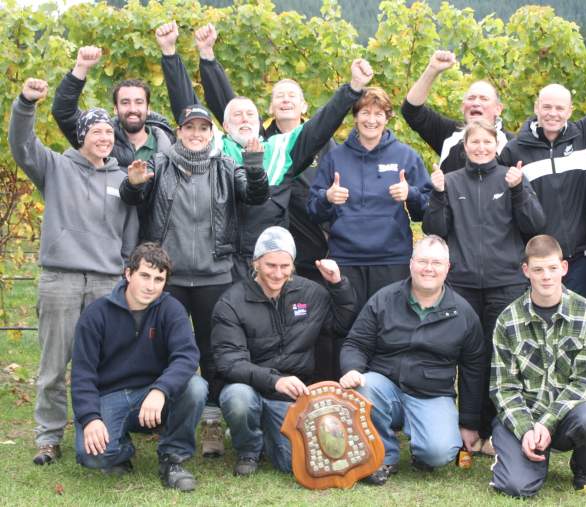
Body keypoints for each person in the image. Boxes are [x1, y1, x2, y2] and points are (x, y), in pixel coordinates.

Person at [155, 21, 372, 278]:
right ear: (225, 126)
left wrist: (353, 88)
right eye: (237, 115)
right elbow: (188, 109)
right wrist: (169, 54)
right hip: (224, 264)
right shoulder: (216, 148)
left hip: (271, 264)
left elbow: (320, 125)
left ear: (259, 123)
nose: (244, 119)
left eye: (250, 114)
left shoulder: (280, 151)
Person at [119, 105, 268, 457]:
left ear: (211, 133)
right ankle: (163, 416)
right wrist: (132, 183)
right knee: (162, 347)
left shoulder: (227, 166)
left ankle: (212, 422)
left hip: (215, 275)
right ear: (179, 131)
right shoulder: (160, 163)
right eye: (190, 128)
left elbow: (255, 197)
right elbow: (133, 197)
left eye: (203, 128)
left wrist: (254, 167)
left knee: (213, 352)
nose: (196, 134)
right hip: (168, 278)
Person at [8, 78, 139, 465]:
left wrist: (125, 273)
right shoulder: (55, 168)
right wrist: (26, 103)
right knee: (53, 365)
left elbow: (130, 234)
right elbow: (22, 144)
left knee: (105, 364)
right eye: (96, 131)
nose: (104, 138)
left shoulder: (123, 180)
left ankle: (101, 430)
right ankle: (48, 437)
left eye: (108, 132)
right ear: (82, 136)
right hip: (60, 280)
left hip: (106, 283)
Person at [423, 119, 545, 452]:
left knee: (499, 356)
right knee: (466, 355)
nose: (481, 147)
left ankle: (495, 429)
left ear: (497, 145)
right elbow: (434, 229)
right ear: (465, 147)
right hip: (462, 284)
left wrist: (519, 190)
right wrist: (437, 194)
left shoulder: (511, 178)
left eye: (487, 142)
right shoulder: (450, 181)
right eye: (474, 142)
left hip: (505, 283)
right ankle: (467, 426)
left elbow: (535, 224)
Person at [339, 235, 487, 486]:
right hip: (385, 386)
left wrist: (469, 423)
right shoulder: (384, 299)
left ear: (447, 268)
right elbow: (356, 343)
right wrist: (352, 369)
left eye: (436, 263)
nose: (429, 268)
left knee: (438, 453)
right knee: (363, 385)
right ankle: (383, 455)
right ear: (411, 264)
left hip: (432, 393)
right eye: (422, 261)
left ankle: (423, 445)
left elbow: (474, 368)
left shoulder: (463, 313)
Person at [499, 28, 586, 300]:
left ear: (570, 111)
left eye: (560, 108)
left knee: (576, 321)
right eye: (547, 107)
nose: (553, 113)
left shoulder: (584, 135)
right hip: (538, 262)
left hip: (579, 260)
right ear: (536, 107)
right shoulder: (514, 150)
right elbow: (503, 206)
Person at [210, 227, 356, 475]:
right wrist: (275, 380)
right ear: (256, 263)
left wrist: (337, 284)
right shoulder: (231, 303)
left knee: (295, 463)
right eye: (270, 265)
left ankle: (266, 429)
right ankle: (248, 449)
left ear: (293, 265)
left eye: (285, 266)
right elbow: (229, 362)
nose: (278, 273)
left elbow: (341, 325)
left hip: (293, 396)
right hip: (251, 388)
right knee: (238, 399)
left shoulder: (311, 293)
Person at [71, 243, 206, 491]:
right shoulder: (96, 314)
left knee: (196, 387)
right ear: (128, 273)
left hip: (153, 397)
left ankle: (172, 458)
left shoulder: (171, 310)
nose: (150, 286)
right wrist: (90, 418)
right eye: (144, 275)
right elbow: (82, 374)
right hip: (110, 395)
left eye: (158, 279)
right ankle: (122, 448)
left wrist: (160, 390)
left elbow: (187, 356)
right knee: (92, 456)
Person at [490, 235, 586, 497]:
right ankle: (525, 456)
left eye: (552, 268)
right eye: (538, 269)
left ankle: (584, 470)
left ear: (564, 268)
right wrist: (526, 429)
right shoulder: (507, 320)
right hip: (526, 413)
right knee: (515, 487)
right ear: (526, 271)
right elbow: (503, 387)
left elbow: (585, 382)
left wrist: (547, 422)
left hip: (569, 416)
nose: (546, 276)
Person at [307, 87, 433, 310]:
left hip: (392, 260)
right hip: (346, 259)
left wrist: (411, 194)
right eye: (365, 113)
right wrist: (327, 197)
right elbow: (313, 211)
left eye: (378, 114)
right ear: (355, 117)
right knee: (346, 325)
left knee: (390, 325)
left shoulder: (405, 156)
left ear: (387, 118)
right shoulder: (335, 158)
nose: (371, 120)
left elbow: (427, 212)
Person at [52, 46, 175, 167]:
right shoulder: (99, 140)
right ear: (115, 109)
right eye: (125, 102)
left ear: (148, 109)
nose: (132, 109)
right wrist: (81, 67)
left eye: (138, 102)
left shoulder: (170, 145)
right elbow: (64, 112)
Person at [402, 50, 512, 173]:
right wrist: (432, 69)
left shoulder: (512, 144)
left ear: (498, 109)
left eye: (483, 99)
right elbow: (411, 111)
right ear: (463, 107)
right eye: (471, 98)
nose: (476, 103)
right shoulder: (449, 133)